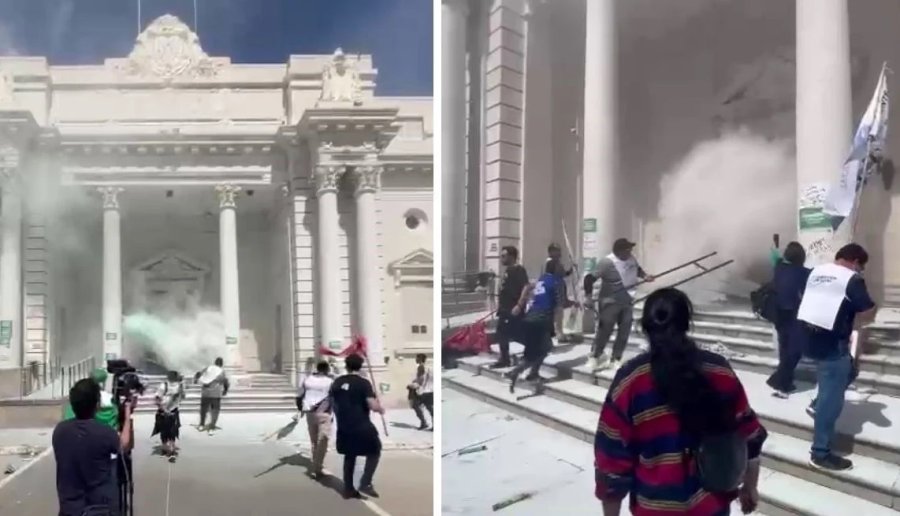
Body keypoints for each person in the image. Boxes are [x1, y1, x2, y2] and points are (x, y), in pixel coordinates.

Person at [594, 288, 767, 516]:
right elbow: (750, 434)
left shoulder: (630, 382)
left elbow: (611, 461)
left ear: (646, 328)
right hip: (711, 507)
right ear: (687, 324)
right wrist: (750, 487)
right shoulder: (719, 371)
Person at [797, 243, 876, 471]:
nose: (860, 271)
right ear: (855, 262)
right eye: (861, 267)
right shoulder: (851, 279)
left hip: (810, 339)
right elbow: (867, 309)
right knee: (832, 400)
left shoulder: (816, 271)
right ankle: (820, 453)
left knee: (850, 370)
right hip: (833, 346)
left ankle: (816, 403)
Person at [53, 378, 135, 516]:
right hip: (98, 509)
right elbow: (125, 445)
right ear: (97, 404)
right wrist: (127, 416)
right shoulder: (104, 432)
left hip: (69, 509)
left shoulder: (60, 431)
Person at [506, 260, 575, 393]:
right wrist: (574, 303)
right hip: (542, 319)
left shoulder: (542, 279)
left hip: (530, 317)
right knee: (544, 349)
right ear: (555, 269)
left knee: (534, 350)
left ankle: (533, 373)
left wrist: (520, 304)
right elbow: (561, 303)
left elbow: (529, 289)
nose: (562, 269)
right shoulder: (557, 282)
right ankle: (516, 371)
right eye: (561, 266)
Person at [588, 238, 654, 371]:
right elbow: (588, 279)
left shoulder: (631, 259)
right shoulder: (607, 262)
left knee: (624, 332)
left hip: (628, 301)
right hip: (609, 302)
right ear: (618, 250)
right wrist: (588, 297)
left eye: (630, 248)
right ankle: (595, 356)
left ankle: (616, 358)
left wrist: (645, 276)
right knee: (604, 331)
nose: (630, 251)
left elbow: (637, 269)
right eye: (627, 249)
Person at [330, 354, 385, 499]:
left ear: (346, 365)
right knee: (375, 451)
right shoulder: (364, 383)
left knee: (350, 455)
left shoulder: (336, 382)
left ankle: (348, 488)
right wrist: (380, 408)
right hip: (361, 424)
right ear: (360, 366)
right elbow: (372, 404)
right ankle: (365, 483)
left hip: (343, 425)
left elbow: (332, 402)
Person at [765, 242, 811, 397]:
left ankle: (785, 381)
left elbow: (775, 256)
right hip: (794, 315)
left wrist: (775, 249)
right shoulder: (804, 273)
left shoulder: (779, 268)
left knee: (785, 348)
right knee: (795, 350)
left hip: (779, 314)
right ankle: (780, 380)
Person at [490, 245, 530, 369]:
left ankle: (535, 350)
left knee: (519, 334)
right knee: (502, 333)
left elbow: (526, 287)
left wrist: (519, 305)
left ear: (512, 257)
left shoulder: (519, 270)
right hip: (504, 309)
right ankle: (505, 359)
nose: (501, 258)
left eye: (504, 256)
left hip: (514, 309)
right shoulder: (507, 270)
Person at [296, 360, 335, 479]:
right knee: (322, 440)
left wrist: (300, 409)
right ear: (327, 370)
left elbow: (299, 396)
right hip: (323, 413)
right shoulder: (330, 382)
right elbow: (334, 397)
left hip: (309, 413)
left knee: (314, 441)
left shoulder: (307, 380)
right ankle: (317, 467)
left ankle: (316, 464)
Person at [152, 370, 185, 461]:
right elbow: (157, 399)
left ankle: (171, 450)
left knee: (173, 431)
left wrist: (182, 386)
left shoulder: (179, 386)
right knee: (164, 431)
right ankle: (165, 449)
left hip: (173, 411)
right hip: (163, 412)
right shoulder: (164, 386)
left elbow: (183, 396)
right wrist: (163, 409)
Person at [546, 243, 574, 342]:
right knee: (557, 314)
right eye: (557, 250)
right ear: (551, 252)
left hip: (560, 290)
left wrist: (571, 270)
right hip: (555, 291)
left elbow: (562, 274)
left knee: (559, 314)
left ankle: (557, 333)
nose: (559, 253)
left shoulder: (557, 262)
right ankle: (558, 334)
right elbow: (552, 277)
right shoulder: (551, 263)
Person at [194, 357, 230, 432]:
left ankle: (201, 424)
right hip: (216, 394)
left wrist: (196, 380)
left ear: (215, 363)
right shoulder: (221, 371)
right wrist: (225, 390)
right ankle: (212, 424)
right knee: (215, 410)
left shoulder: (208, 368)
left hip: (205, 393)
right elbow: (225, 381)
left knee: (203, 409)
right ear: (221, 364)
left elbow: (198, 374)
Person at [409, 353, 434, 430]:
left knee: (416, 406)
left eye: (417, 358)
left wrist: (414, 384)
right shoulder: (429, 367)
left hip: (423, 391)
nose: (415, 360)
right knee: (429, 408)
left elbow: (421, 380)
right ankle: (428, 424)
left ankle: (424, 422)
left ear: (420, 359)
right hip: (429, 390)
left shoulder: (421, 367)